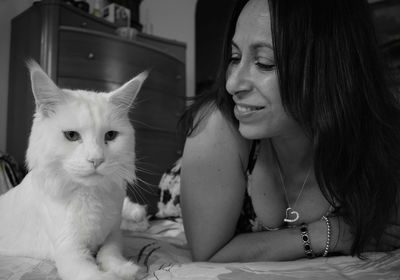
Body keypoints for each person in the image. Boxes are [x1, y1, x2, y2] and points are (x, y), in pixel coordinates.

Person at [180, 0, 400, 262]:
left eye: (264, 62)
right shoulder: (217, 125)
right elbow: (209, 253)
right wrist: (331, 233)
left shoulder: (381, 137)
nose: (232, 84)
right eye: (234, 57)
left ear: (330, 65)